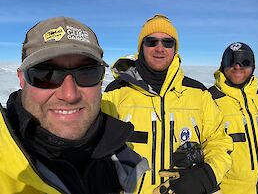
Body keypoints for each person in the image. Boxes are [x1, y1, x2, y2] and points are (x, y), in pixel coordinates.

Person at [0, 16, 149, 194]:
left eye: (87, 73)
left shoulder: (122, 158)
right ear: (22, 80)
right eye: (46, 74)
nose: (69, 95)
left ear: (101, 81)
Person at [101, 14, 233, 194]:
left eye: (167, 43)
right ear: (141, 47)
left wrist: (205, 177)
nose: (159, 48)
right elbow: (98, 148)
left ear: (175, 49)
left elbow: (219, 141)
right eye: (151, 42)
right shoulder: (116, 93)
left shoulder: (198, 93)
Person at [208, 42, 258, 194]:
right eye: (230, 60)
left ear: (253, 66)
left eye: (245, 61)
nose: (237, 66)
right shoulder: (210, 99)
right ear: (222, 65)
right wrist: (211, 186)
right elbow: (203, 148)